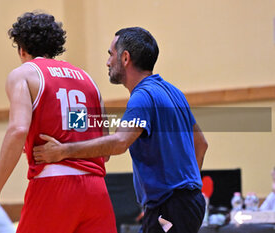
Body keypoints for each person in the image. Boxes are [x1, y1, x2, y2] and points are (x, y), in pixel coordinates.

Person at [33, 27, 208, 233]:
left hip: (171, 206)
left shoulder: (142, 97)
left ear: (125, 58)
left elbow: (119, 143)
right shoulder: (173, 92)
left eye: (111, 54)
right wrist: (187, 190)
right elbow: (201, 144)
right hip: (186, 203)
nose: (108, 62)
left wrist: (63, 151)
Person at [0, 12, 117, 233]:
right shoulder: (88, 80)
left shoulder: (23, 74)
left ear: (22, 49)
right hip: (96, 190)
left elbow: (18, 129)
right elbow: (105, 149)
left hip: (54, 185)